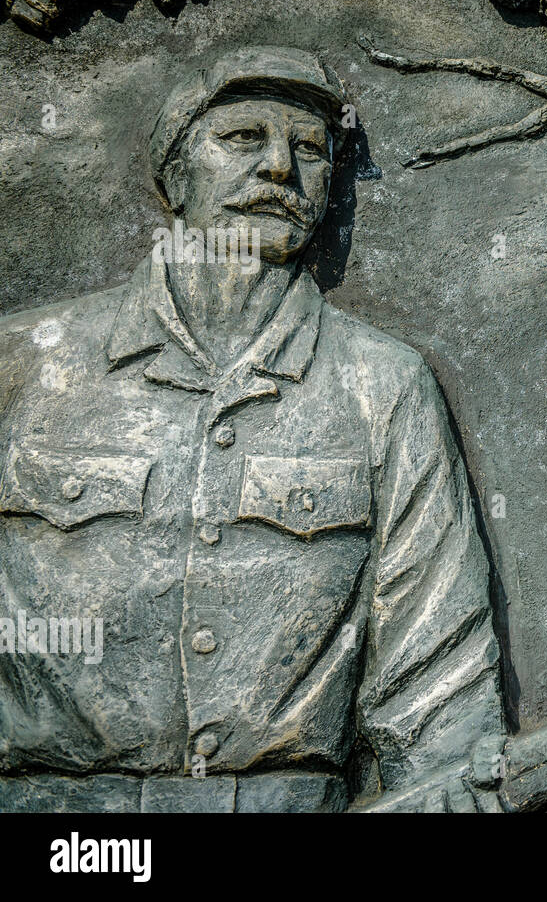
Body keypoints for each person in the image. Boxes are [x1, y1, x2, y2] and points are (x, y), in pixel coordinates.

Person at [0, 47, 505, 812]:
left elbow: (439, 689)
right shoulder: (26, 365)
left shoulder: (384, 385)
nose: (279, 168)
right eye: (243, 137)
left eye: (310, 149)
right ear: (173, 171)